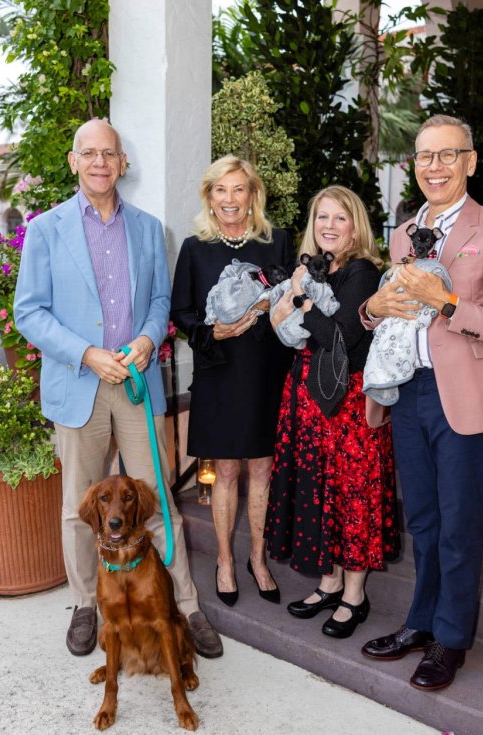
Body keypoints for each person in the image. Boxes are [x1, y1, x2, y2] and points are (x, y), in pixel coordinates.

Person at [14, 119, 223, 659]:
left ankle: (188, 605)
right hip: (78, 382)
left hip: (136, 385)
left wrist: (149, 341)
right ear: (74, 161)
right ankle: (86, 605)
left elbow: (159, 302)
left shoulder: (149, 229)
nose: (101, 162)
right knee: (78, 506)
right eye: (90, 154)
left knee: (155, 502)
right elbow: (28, 312)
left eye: (110, 153)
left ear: (122, 163)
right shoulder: (45, 230)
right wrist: (86, 353)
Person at [359, 114, 483, 690]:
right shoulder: (404, 233)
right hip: (408, 393)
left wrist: (449, 302)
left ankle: (451, 639)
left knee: (459, 526)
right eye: (424, 156)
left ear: (470, 162)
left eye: (446, 155)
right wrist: (371, 311)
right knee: (426, 521)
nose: (433, 166)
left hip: (465, 398)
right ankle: (420, 622)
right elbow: (387, 314)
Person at [264, 185, 400, 639]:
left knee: (352, 493)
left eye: (339, 218)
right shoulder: (317, 268)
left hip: (348, 401)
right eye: (322, 217)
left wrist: (299, 301)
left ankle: (355, 596)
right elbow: (285, 330)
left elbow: (338, 336)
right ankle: (329, 581)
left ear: (355, 225)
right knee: (319, 491)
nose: (329, 226)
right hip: (307, 394)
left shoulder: (361, 271)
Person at [171, 155, 295, 607]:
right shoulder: (194, 248)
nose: (230, 199)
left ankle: (257, 560)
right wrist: (212, 331)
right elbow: (180, 311)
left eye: (238, 189)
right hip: (220, 370)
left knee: (262, 467)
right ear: (209, 196)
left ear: (252, 195)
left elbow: (293, 298)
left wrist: (271, 308)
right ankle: (225, 559)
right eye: (220, 190)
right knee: (224, 470)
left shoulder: (277, 242)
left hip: (267, 372)